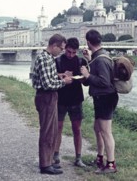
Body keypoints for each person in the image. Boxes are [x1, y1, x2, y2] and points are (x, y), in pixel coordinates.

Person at [32, 33, 73, 175]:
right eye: (61, 48)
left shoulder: (48, 58)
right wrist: (64, 82)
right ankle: (45, 165)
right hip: (46, 97)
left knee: (53, 131)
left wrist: (58, 75)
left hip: (50, 97)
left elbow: (48, 77)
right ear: (54, 45)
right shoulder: (44, 59)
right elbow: (47, 84)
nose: (62, 51)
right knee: (47, 132)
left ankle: (48, 161)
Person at [80, 29, 119, 174]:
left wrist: (87, 75)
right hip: (101, 98)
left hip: (105, 98)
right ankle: (100, 159)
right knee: (98, 129)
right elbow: (100, 73)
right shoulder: (99, 56)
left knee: (106, 132)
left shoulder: (101, 59)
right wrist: (90, 60)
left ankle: (110, 165)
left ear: (89, 43)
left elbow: (104, 81)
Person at [53, 37, 87, 168]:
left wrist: (82, 78)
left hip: (76, 99)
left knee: (77, 129)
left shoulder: (80, 61)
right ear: (65, 48)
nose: (70, 55)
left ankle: (78, 158)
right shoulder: (58, 61)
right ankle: (56, 155)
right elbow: (52, 76)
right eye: (68, 52)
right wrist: (61, 74)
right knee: (58, 129)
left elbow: (86, 81)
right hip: (61, 99)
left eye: (73, 52)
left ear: (77, 51)